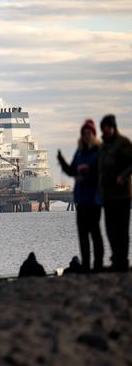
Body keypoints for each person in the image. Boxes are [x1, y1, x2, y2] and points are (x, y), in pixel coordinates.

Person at [57, 119, 104, 272]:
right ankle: (85, 265)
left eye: (88, 133)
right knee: (82, 234)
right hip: (81, 199)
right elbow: (72, 171)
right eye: (83, 133)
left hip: (94, 199)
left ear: (93, 134)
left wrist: (86, 174)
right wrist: (62, 162)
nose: (86, 135)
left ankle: (97, 265)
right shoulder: (79, 152)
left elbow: (100, 172)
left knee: (95, 233)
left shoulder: (98, 152)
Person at [99, 114, 132, 271]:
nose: (105, 131)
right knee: (110, 228)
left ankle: (122, 260)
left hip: (122, 195)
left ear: (112, 127)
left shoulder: (123, 143)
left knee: (122, 229)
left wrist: (123, 176)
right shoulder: (104, 147)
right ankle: (115, 257)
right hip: (108, 195)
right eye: (103, 129)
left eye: (107, 128)